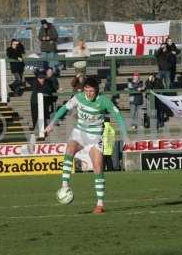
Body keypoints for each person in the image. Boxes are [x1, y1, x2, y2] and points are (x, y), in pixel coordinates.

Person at [44, 77, 128, 214]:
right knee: (70, 148)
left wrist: (125, 134)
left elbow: (118, 116)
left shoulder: (104, 101)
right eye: (86, 90)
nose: (88, 93)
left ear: (97, 91)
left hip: (95, 138)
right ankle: (65, 186)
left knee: (98, 168)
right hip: (80, 133)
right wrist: (52, 123)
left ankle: (100, 204)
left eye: (91, 91)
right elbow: (64, 108)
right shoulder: (78, 97)